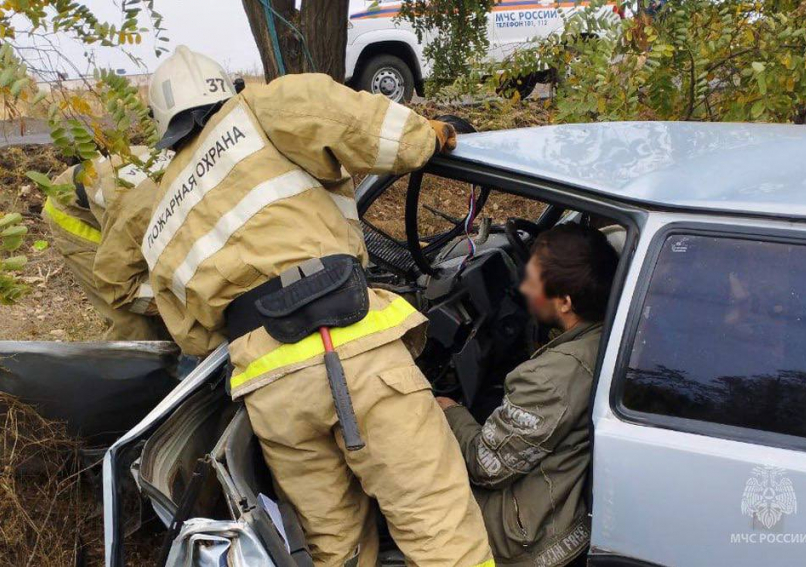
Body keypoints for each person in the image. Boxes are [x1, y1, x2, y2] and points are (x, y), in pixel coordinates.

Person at [143, 45, 493, 567]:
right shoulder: (260, 108)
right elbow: (364, 126)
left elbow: (194, 337)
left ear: (165, 125)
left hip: (271, 389)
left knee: (337, 549)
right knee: (435, 521)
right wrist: (430, 135)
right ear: (224, 90)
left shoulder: (160, 214)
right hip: (349, 345)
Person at [436, 223, 619, 567]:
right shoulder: (605, 337)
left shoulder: (550, 377)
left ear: (565, 302)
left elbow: (486, 466)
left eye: (532, 281)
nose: (523, 287)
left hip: (532, 540)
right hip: (570, 507)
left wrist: (450, 411)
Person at [41, 148, 171, 340]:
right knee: (134, 327)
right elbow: (117, 285)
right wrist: (177, 307)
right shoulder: (140, 216)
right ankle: (127, 365)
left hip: (118, 202)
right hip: (76, 213)